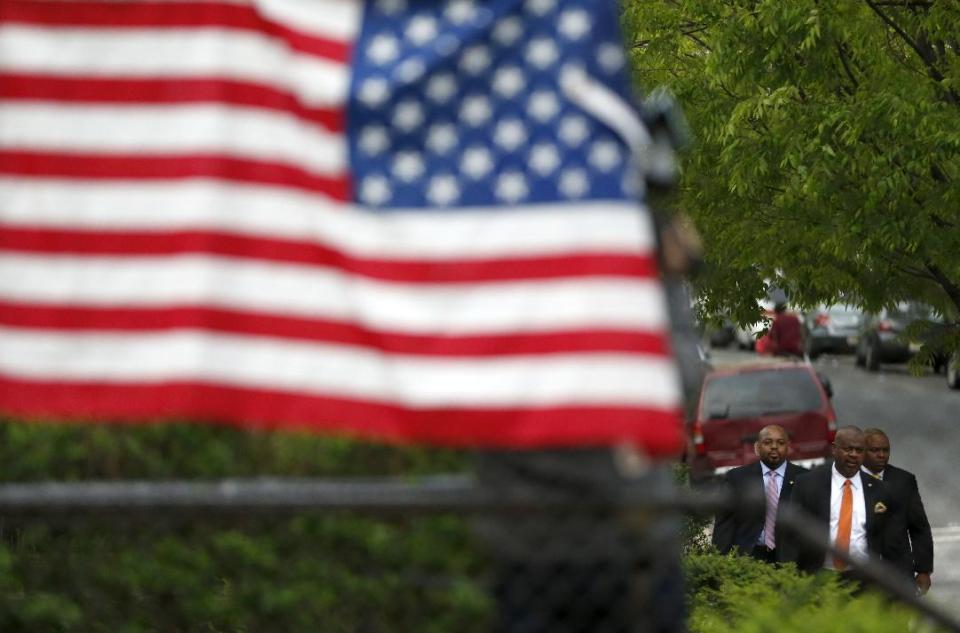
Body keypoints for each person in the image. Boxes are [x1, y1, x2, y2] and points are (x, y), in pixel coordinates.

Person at [784, 426, 898, 579]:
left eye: (859, 450)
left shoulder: (880, 490)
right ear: (834, 449)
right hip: (818, 575)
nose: (853, 455)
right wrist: (790, 575)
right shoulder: (807, 484)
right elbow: (792, 532)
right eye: (848, 449)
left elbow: (891, 541)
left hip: (865, 577)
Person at [712, 425, 808, 562]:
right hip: (748, 557)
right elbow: (725, 524)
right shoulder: (736, 478)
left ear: (788, 447)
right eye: (767, 442)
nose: (774, 447)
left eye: (780, 443)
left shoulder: (804, 478)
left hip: (791, 560)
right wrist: (718, 562)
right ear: (757, 447)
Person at [862, 428, 934, 595]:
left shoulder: (903, 481)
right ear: (862, 452)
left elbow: (919, 527)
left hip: (898, 570)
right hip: (861, 569)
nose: (881, 455)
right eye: (875, 450)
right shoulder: (850, 481)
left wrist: (924, 570)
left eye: (885, 450)